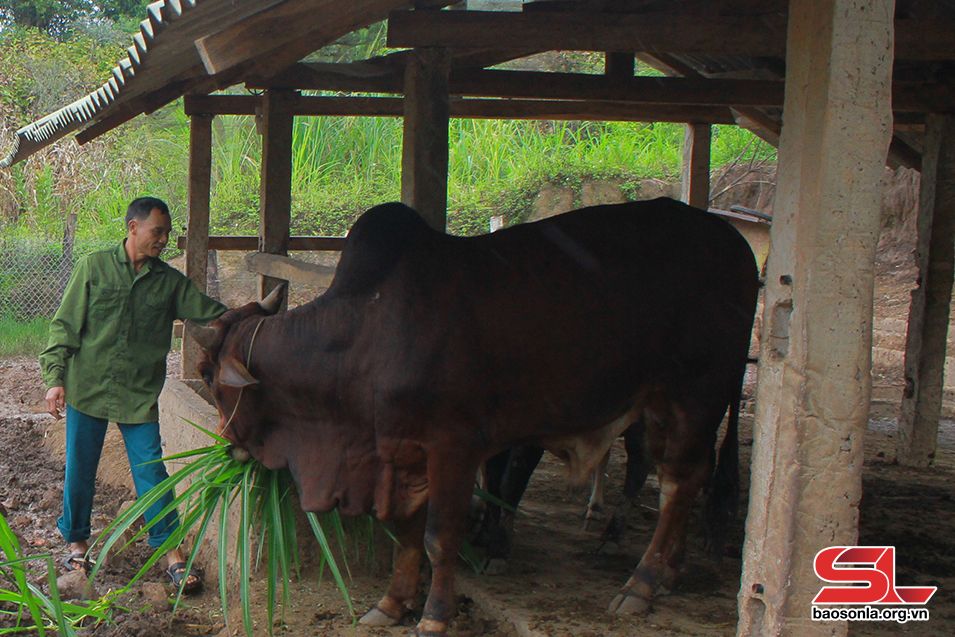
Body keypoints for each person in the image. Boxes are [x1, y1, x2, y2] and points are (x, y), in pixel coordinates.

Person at [40, 196, 226, 594]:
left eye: (166, 233)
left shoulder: (170, 282)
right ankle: (76, 543)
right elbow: (65, 326)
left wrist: (254, 321)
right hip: (88, 386)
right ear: (133, 228)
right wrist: (55, 378)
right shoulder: (94, 267)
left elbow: (213, 313)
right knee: (80, 468)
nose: (163, 240)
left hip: (138, 393)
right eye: (157, 232)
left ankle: (172, 554)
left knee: (152, 471)